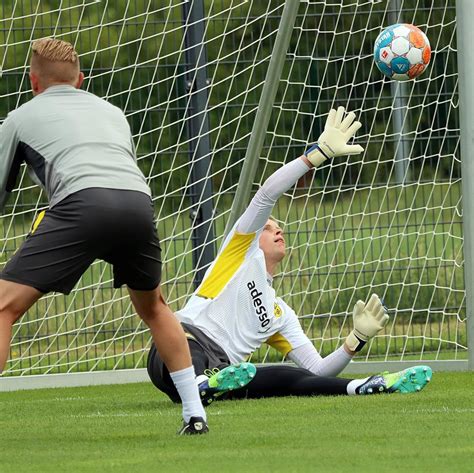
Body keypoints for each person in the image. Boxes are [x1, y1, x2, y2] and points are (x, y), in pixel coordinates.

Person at [147, 106, 432, 405]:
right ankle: (202, 382)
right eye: (269, 228)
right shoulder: (240, 252)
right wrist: (315, 155)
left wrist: (355, 341)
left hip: (224, 370)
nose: (278, 229)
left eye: (279, 227)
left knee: (291, 377)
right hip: (179, 345)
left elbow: (319, 369)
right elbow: (267, 194)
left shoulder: (279, 313)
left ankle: (364, 385)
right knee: (187, 348)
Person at [0, 38, 207, 435]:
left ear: (33, 81)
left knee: (4, 308)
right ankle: (195, 415)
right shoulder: (114, 113)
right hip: (139, 205)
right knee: (154, 307)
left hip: (82, 204)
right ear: (81, 79)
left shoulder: (20, 118)